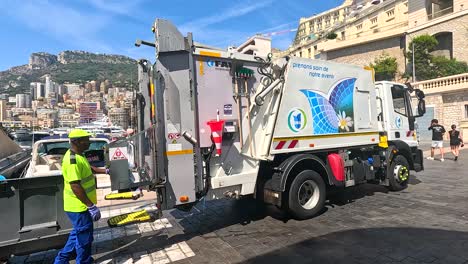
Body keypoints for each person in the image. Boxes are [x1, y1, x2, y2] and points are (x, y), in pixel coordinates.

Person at [54, 129, 101, 264]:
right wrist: (90, 206)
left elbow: (88, 168)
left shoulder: (79, 155)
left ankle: (61, 261)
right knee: (85, 238)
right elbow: (75, 186)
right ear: (76, 142)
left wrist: (105, 170)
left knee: (77, 235)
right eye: (86, 140)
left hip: (78, 206)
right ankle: (84, 261)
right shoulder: (72, 161)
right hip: (79, 207)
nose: (89, 143)